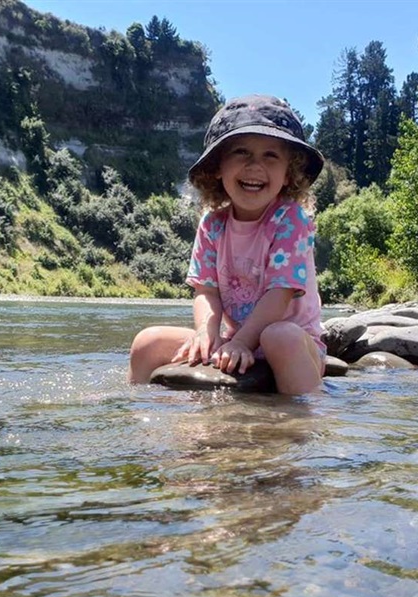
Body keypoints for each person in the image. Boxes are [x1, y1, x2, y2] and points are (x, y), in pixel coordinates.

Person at [128, 95, 327, 395]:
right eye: (241, 152)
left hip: (295, 343)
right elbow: (206, 291)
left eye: (270, 155)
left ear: (289, 172)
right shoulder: (212, 223)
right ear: (217, 167)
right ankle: (135, 420)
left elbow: (280, 295)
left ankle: (301, 424)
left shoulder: (291, 219)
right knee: (147, 342)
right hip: (235, 341)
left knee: (279, 337)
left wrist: (241, 343)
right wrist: (206, 334)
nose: (254, 166)